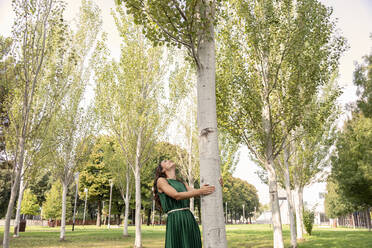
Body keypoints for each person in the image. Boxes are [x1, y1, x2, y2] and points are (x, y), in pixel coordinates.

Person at [153, 159, 216, 248]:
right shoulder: (161, 181)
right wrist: (200, 191)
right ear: (163, 170)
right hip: (176, 219)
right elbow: (176, 195)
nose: (169, 160)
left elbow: (196, 192)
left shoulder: (181, 182)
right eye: (165, 161)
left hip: (189, 218)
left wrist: (217, 184)